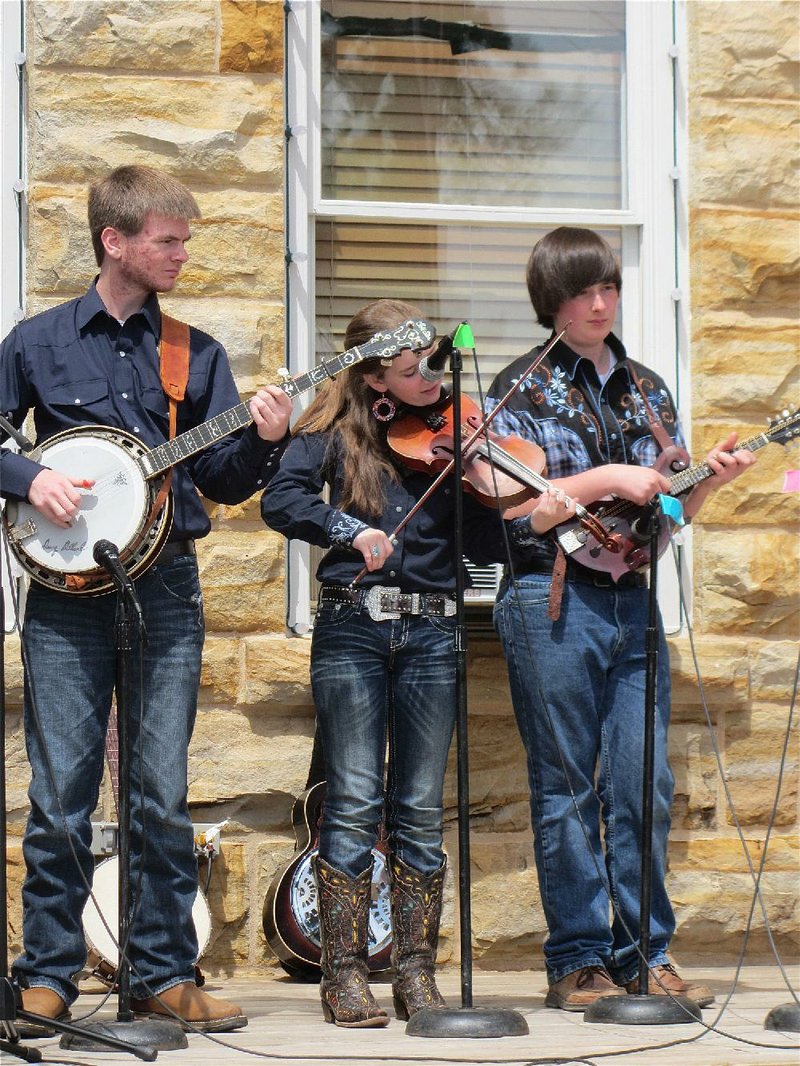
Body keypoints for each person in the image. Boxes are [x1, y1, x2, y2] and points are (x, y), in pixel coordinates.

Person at [0, 164, 293, 1035]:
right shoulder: (36, 342)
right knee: (60, 794)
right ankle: (45, 974)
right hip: (64, 593)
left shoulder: (194, 353)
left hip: (166, 590)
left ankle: (164, 975)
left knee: (160, 793)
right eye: (168, 239)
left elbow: (224, 478)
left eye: (184, 239)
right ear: (114, 241)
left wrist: (268, 442)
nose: (181, 254)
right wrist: (29, 475)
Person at [261, 298, 570, 1027]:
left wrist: (513, 506)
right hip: (352, 628)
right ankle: (344, 975)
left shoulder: (454, 438)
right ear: (374, 381)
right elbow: (281, 498)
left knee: (422, 812)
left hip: (435, 634)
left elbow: (492, 551)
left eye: (433, 362)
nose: (432, 377)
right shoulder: (331, 434)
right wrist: (347, 528)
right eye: (412, 368)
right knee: (356, 800)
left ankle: (416, 975)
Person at [485, 226, 756, 1012]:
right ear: (553, 301)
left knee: (645, 784)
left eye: (609, 287)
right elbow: (513, 518)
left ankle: (646, 956)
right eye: (582, 291)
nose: (601, 302)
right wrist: (607, 475)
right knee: (567, 785)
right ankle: (578, 960)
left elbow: (667, 513)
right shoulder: (517, 389)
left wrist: (709, 484)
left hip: (631, 602)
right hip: (550, 597)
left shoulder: (647, 388)